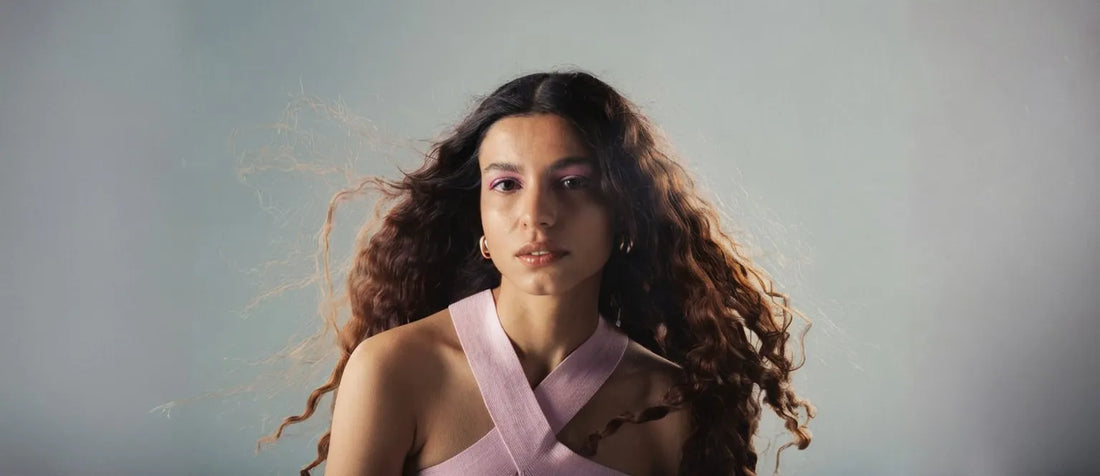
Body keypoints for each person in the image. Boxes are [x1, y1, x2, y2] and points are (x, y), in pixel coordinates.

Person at [256, 71, 814, 475]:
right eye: (506, 184)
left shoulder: (670, 401)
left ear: (622, 214)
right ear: (478, 215)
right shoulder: (393, 371)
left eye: (572, 182)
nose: (536, 215)